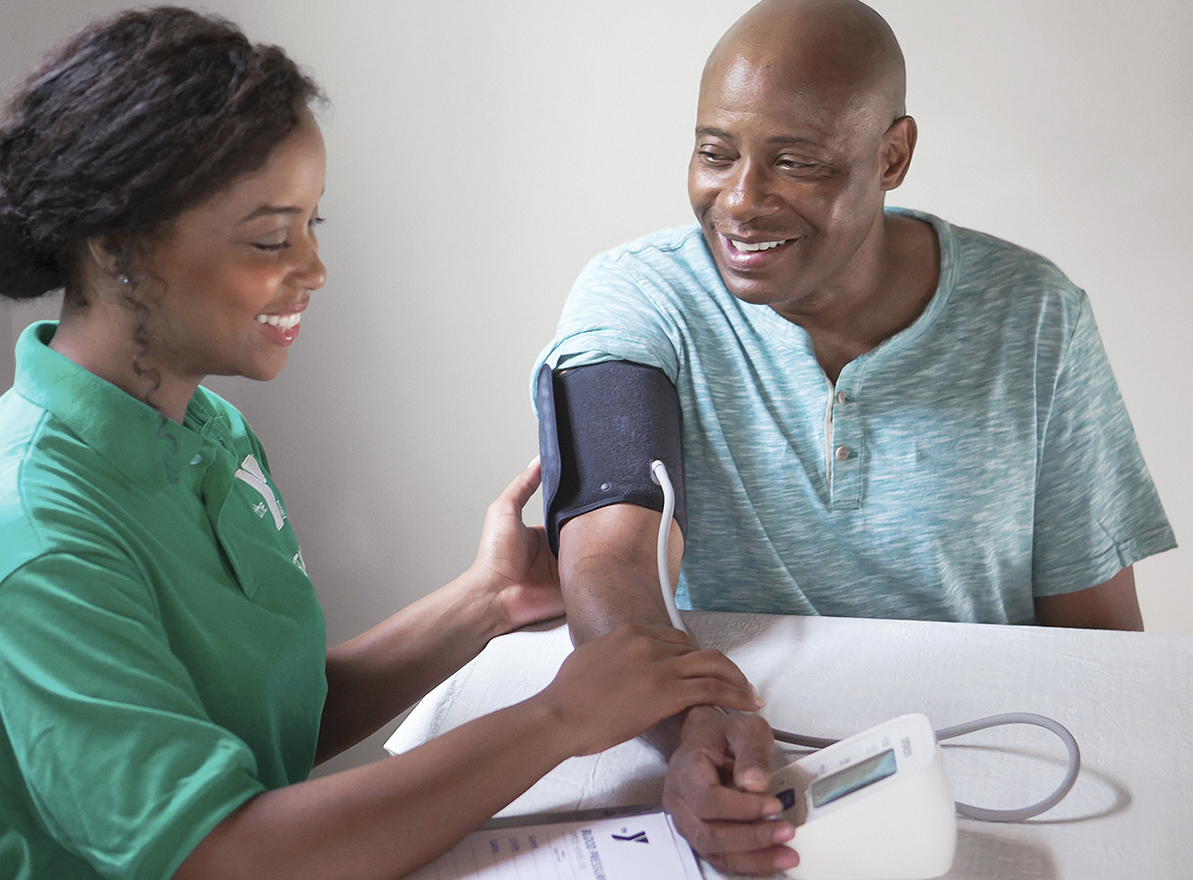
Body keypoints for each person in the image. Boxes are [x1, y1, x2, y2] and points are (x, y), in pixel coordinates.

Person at [0, 8, 767, 880]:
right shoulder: (35, 531)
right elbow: (221, 856)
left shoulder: (209, 430)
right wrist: (559, 719)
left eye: (312, 226)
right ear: (115, 247)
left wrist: (485, 601)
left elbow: (257, 721)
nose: (314, 270)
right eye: (268, 238)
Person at [531, 0, 1177, 873]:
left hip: (989, 782)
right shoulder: (638, 300)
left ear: (893, 154)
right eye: (715, 153)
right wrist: (694, 727)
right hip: (725, 757)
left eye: (797, 162)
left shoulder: (1034, 317)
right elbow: (608, 551)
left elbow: (1100, 644)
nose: (742, 201)